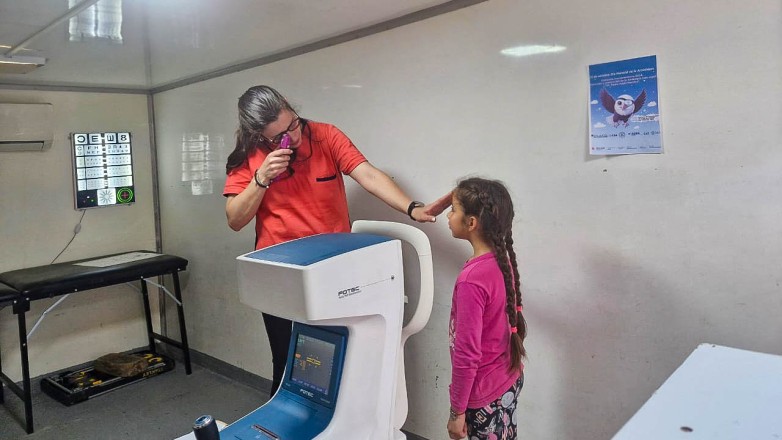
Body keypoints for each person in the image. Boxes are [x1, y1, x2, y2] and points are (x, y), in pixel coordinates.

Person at [223, 85, 449, 394]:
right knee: (287, 361)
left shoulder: (325, 136)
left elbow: (366, 174)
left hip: (330, 271)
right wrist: (261, 179)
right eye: (278, 136)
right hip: (278, 274)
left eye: (292, 123)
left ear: (291, 106)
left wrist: (413, 208)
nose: (294, 135)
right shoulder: (248, 155)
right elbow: (235, 219)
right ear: (258, 135)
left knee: (333, 358)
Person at [445, 177, 528, 440]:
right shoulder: (500, 261)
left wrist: (456, 413)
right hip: (507, 379)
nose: (448, 215)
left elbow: (467, 353)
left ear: (471, 223)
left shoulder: (472, 280)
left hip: (483, 399)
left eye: (453, 209)